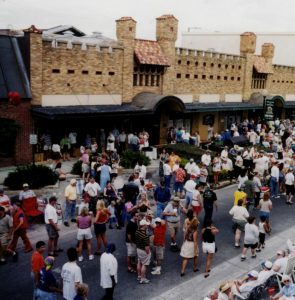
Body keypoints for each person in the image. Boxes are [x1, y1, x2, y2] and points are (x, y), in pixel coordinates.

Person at [135, 219, 151, 284]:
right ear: (144, 225)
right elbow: (146, 247)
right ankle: (143, 278)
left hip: (138, 249)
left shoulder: (137, 231)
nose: (147, 226)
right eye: (146, 225)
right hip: (143, 250)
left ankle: (139, 276)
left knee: (139, 262)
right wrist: (148, 252)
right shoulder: (145, 235)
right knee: (144, 264)